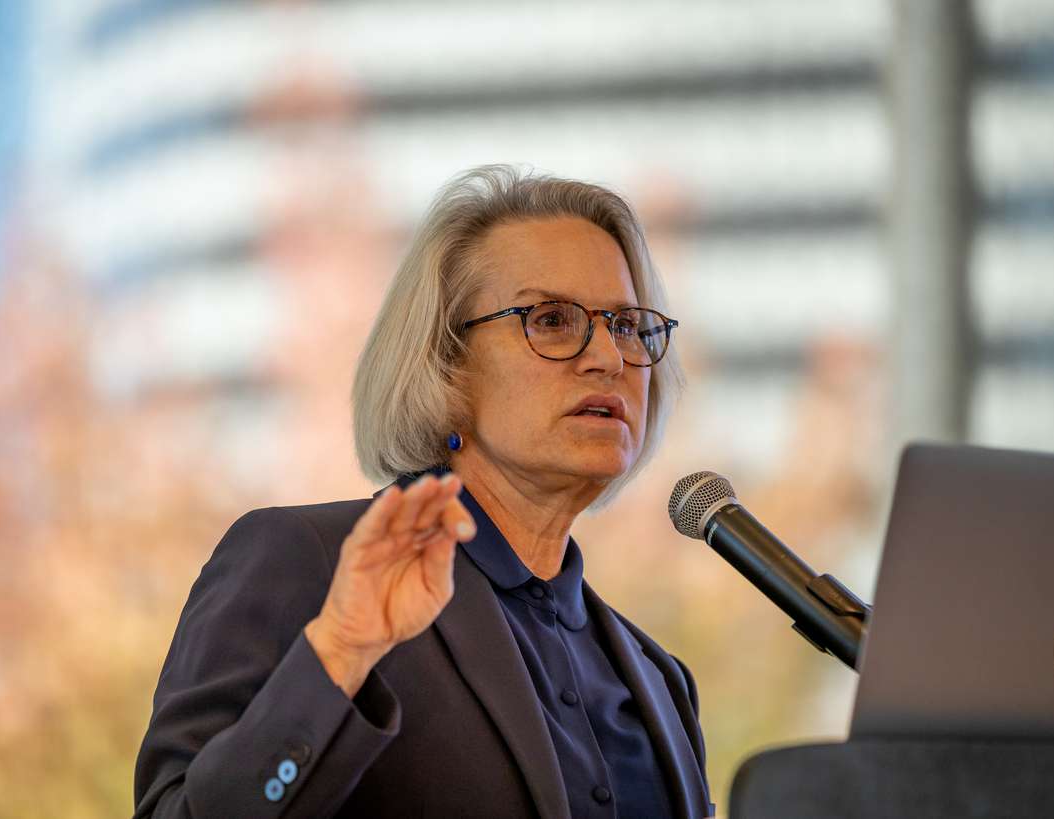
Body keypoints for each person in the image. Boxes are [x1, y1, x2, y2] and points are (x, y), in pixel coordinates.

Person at [133, 165, 713, 819]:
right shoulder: (306, 563)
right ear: (446, 361)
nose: (608, 356)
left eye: (629, 325)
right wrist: (342, 652)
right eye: (552, 319)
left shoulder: (661, 679)